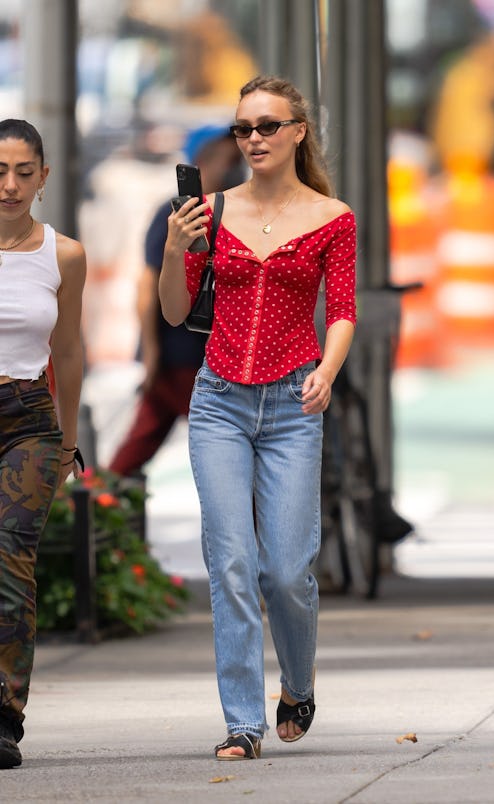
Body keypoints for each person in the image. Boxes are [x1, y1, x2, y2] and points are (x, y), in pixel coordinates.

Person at [159, 76, 357, 759]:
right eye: (244, 128)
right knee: (233, 562)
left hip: (295, 401)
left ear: (299, 131)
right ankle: (242, 721)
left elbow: (341, 310)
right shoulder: (210, 212)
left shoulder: (334, 216)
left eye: (269, 126)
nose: (255, 139)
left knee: (289, 571)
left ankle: (297, 683)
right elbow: (175, 313)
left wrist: (327, 372)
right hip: (219, 401)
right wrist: (174, 250)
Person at [0, 119, 86, 768]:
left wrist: (70, 439)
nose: (9, 186)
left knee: (10, 561)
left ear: (44, 177)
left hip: (28, 418)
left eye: (23, 173)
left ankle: (4, 716)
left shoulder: (65, 255)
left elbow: (68, 350)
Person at [108, 125, 244, 476]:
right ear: (201, 163)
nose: (234, 169)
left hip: (206, 356)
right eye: (227, 160)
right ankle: (94, 508)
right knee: (224, 445)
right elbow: (147, 284)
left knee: (144, 438)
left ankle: (97, 505)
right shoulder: (178, 214)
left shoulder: (236, 212)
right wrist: (151, 353)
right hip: (181, 356)